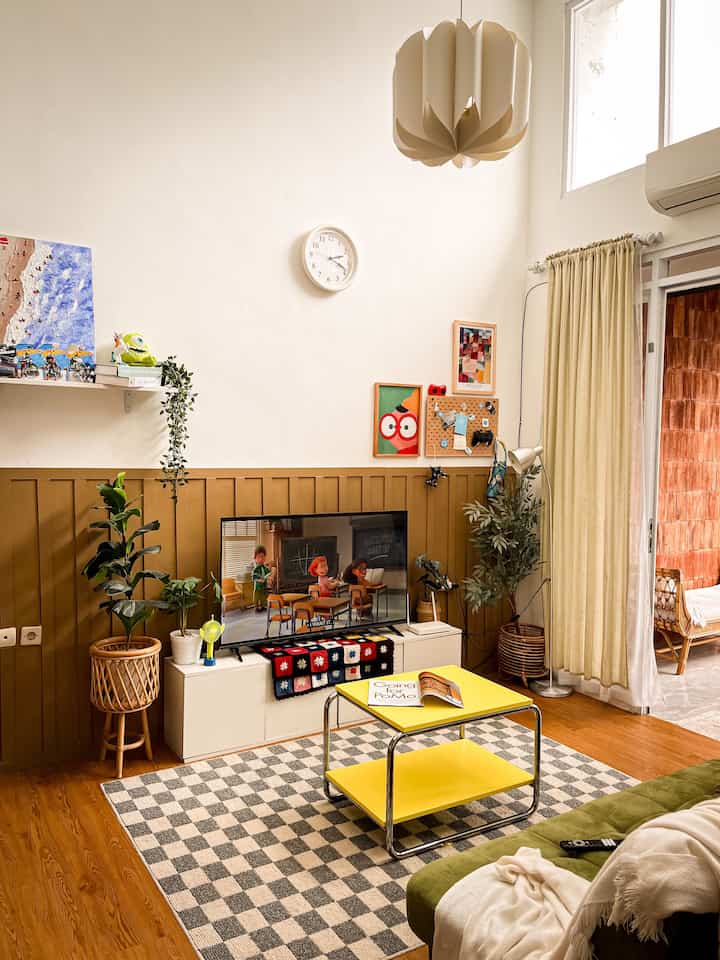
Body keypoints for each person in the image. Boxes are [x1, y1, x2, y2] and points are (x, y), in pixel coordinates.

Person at [251, 545, 274, 611]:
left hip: (264, 586)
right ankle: (257, 606)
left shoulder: (264, 567)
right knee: (257, 596)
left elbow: (268, 573)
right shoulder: (256, 569)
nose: (261, 559)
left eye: (262, 557)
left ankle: (263, 605)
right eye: (259, 557)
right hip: (258, 586)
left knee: (263, 596)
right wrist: (259, 580)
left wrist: (270, 577)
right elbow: (254, 577)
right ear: (255, 558)